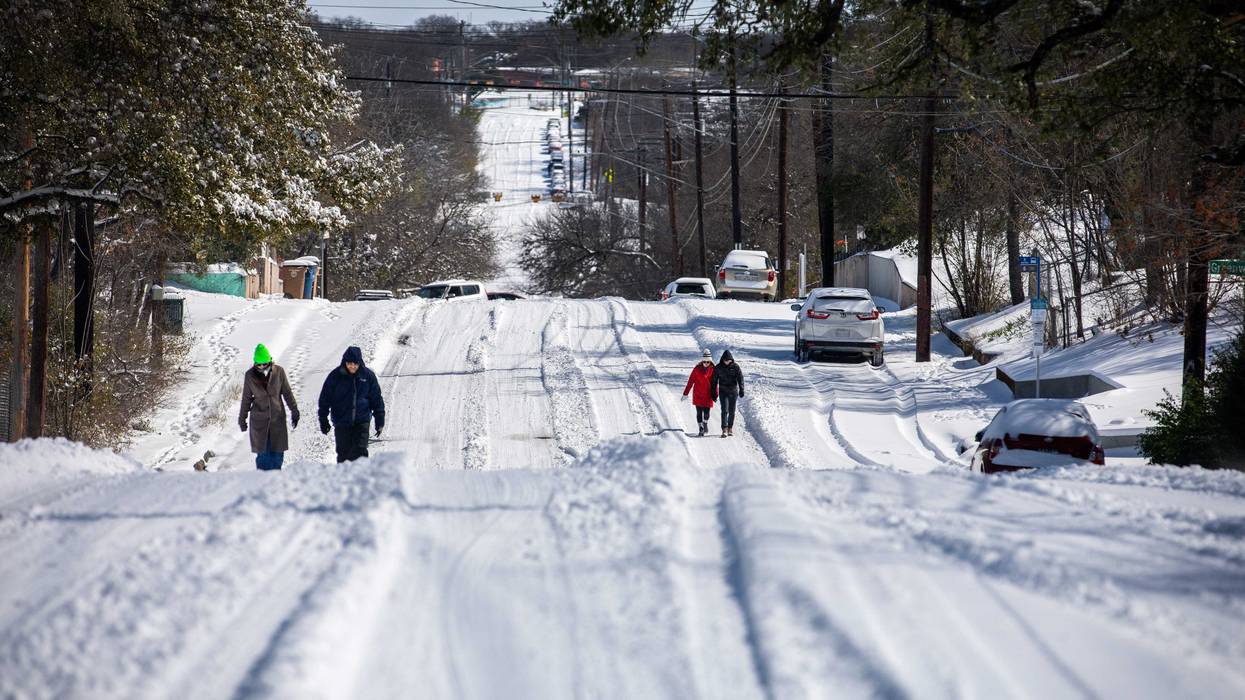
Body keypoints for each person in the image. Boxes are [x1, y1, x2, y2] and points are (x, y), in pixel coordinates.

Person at [318, 346, 385, 463]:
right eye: (349, 363)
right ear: (345, 362)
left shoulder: (367, 376)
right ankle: (344, 480)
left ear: (360, 363)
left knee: (360, 451)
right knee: (344, 455)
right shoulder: (335, 376)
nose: (352, 366)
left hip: (362, 421)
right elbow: (325, 399)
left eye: (355, 364)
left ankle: (361, 478)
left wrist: (379, 419)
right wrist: (323, 419)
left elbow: (376, 399)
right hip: (341, 422)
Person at [239, 343, 299, 471]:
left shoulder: (279, 372)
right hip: (259, 422)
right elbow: (246, 399)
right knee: (264, 457)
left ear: (270, 361)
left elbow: (287, 393)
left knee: (277, 456)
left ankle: (276, 483)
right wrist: (242, 419)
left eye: (264, 364)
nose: (261, 367)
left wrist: (295, 411)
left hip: (277, 419)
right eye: (258, 364)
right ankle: (263, 483)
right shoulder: (249, 376)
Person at [711, 349, 745, 437]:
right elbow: (714, 381)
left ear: (731, 360)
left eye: (728, 360)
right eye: (725, 360)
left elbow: (740, 378)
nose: (727, 362)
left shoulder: (736, 367)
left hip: (733, 391)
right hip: (723, 391)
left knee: (732, 411)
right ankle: (724, 429)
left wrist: (741, 389)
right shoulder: (718, 367)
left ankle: (730, 428)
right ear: (722, 359)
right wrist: (713, 393)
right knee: (724, 410)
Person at [682, 348, 716, 437]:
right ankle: (701, 428)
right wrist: (685, 393)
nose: (706, 364)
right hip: (698, 394)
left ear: (710, 362)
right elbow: (690, 381)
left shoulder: (713, 369)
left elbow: (715, 383)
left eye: (708, 362)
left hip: (708, 395)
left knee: (707, 413)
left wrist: (715, 394)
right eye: (704, 362)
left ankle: (705, 423)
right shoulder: (697, 369)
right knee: (699, 412)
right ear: (702, 361)